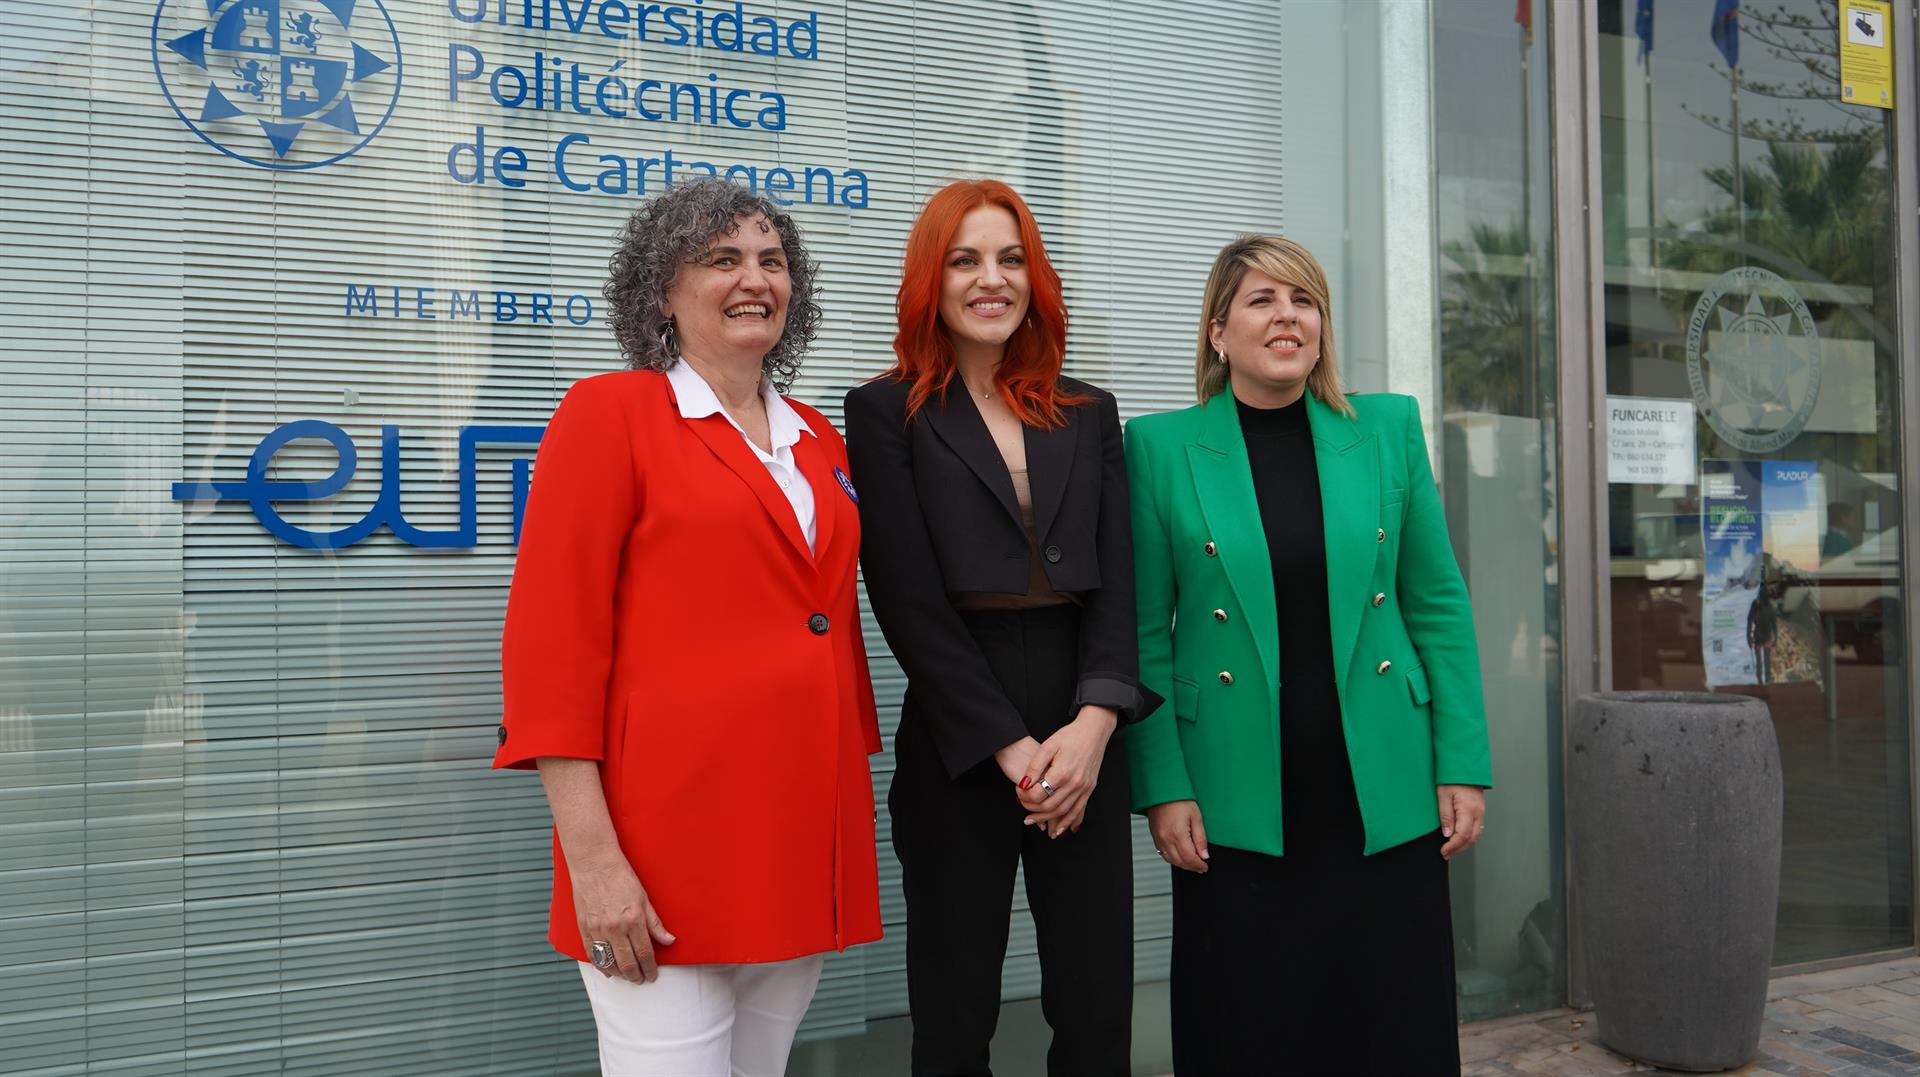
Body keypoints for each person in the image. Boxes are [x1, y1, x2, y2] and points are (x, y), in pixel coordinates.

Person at [492, 177, 882, 1077]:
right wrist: (594, 863)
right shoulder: (611, 414)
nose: (755, 278)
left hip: (795, 834)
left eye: (772, 261)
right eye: (722, 259)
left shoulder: (817, 437)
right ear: (663, 292)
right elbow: (552, 648)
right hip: (660, 851)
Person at [1124, 234, 1492, 1075]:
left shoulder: (1388, 428)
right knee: (1250, 1026)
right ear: (1218, 332)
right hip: (1234, 793)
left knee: (1394, 1022)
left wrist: (1462, 758)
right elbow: (1144, 631)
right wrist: (1164, 785)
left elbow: (1435, 601)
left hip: (1384, 782)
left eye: (1304, 301)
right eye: (1261, 300)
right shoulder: (1159, 446)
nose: (1286, 316)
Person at [845, 179, 1158, 1076]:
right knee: (953, 1018)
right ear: (930, 281)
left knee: (1098, 1008)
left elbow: (1118, 584)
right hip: (958, 723)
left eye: (1012, 258)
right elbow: (907, 601)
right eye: (967, 259)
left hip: (1082, 713)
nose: (993, 279)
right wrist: (1013, 750)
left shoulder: (1089, 409)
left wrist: (1096, 724)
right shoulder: (885, 410)